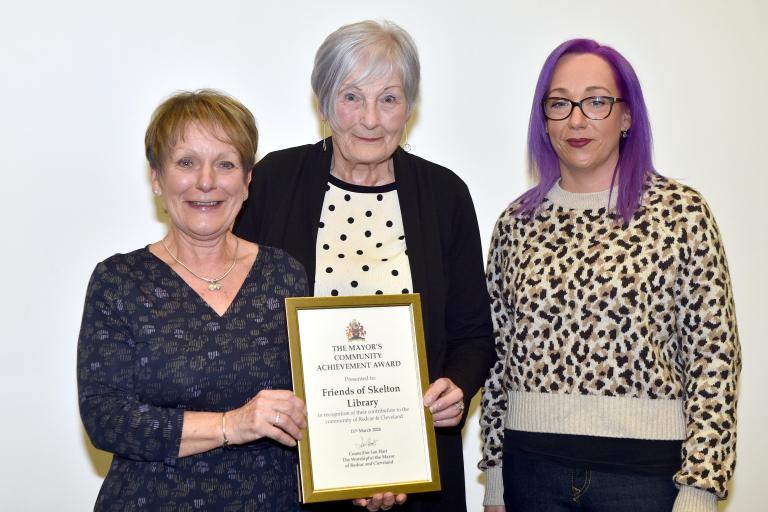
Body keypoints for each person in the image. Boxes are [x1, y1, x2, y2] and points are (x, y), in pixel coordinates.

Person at [234, 19, 495, 512]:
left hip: (417, 473)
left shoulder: (444, 196)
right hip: (293, 471)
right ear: (323, 103)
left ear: (410, 108)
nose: (371, 119)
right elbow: (239, 322)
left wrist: (456, 388)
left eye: (389, 98)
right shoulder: (274, 180)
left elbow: (474, 335)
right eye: (352, 96)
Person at [479, 39, 741, 512]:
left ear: (626, 117)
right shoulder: (516, 223)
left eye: (597, 101)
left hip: (645, 481)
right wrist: (495, 476)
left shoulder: (680, 214)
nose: (576, 120)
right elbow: (496, 359)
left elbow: (714, 360)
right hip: (530, 473)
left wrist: (700, 488)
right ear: (544, 119)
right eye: (560, 103)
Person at [77, 90, 309, 511]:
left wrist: (370, 467)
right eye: (186, 162)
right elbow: (105, 419)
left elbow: (320, 398)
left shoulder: (285, 275)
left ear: (247, 180)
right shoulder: (119, 281)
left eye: (226, 164)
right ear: (156, 178)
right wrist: (229, 425)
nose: (207, 181)